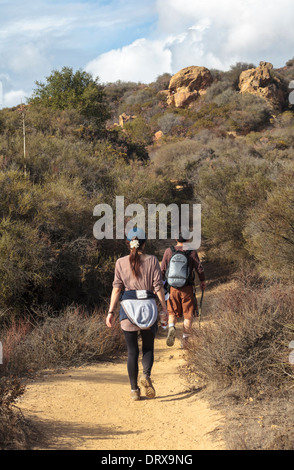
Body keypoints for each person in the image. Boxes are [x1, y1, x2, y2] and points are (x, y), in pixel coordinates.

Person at [106, 228, 167, 401]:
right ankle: (146, 375)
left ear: (128, 244)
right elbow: (158, 287)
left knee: (132, 352)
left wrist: (110, 311)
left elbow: (117, 288)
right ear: (145, 243)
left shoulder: (120, 262)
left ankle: (134, 390)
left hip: (128, 308)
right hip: (148, 306)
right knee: (148, 348)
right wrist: (164, 308)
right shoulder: (153, 260)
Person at [161, 235, 206, 348]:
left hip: (172, 288)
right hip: (187, 288)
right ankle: (185, 341)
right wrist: (202, 281)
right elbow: (199, 269)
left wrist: (162, 285)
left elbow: (162, 270)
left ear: (176, 239)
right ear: (188, 239)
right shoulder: (191, 252)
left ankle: (171, 326)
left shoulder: (169, 251)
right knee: (188, 314)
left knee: (172, 312)